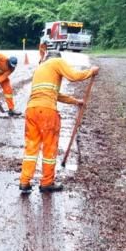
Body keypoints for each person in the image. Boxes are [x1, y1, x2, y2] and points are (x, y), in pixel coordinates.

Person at [19, 50, 99, 193]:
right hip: (47, 112)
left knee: (31, 148)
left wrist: (75, 101)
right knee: (49, 148)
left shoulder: (41, 69)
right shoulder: (57, 61)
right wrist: (90, 72)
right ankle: (47, 183)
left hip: (31, 110)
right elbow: (74, 76)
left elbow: (55, 94)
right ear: (57, 59)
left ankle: (24, 182)